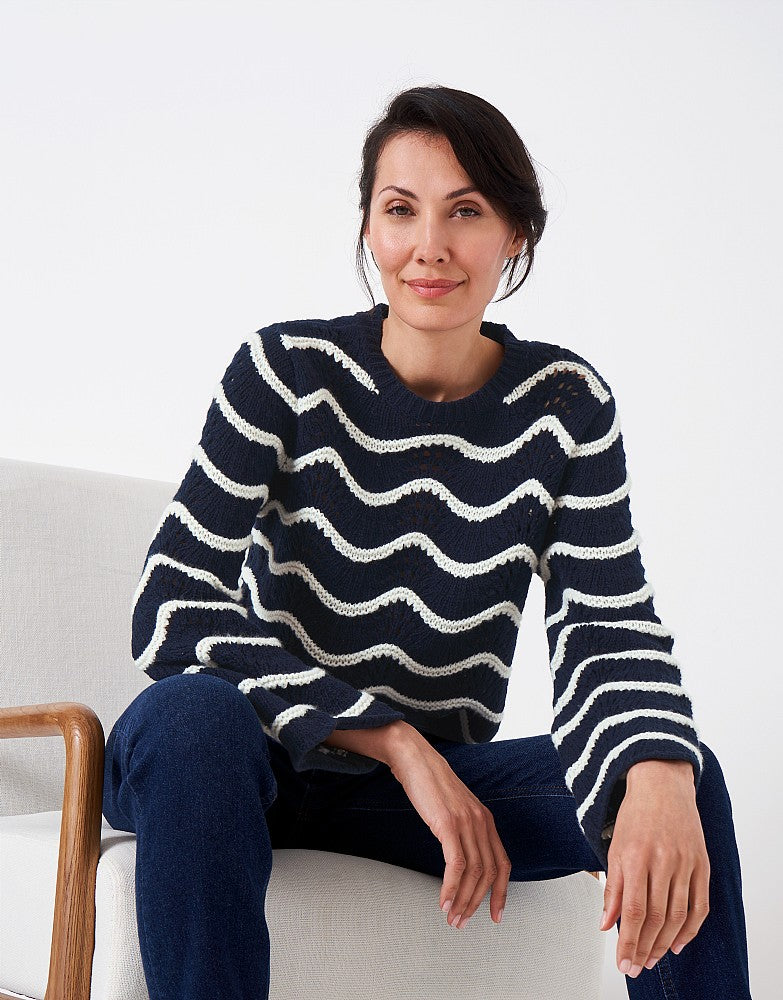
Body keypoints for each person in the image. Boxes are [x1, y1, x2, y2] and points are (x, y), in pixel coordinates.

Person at [102, 84, 752, 999]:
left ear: (515, 233)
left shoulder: (562, 408)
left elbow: (608, 625)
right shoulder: (285, 372)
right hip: (236, 765)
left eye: (466, 211)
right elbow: (172, 608)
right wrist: (393, 737)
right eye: (401, 209)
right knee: (194, 713)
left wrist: (654, 761)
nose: (429, 247)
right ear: (369, 225)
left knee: (671, 770)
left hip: (415, 802)